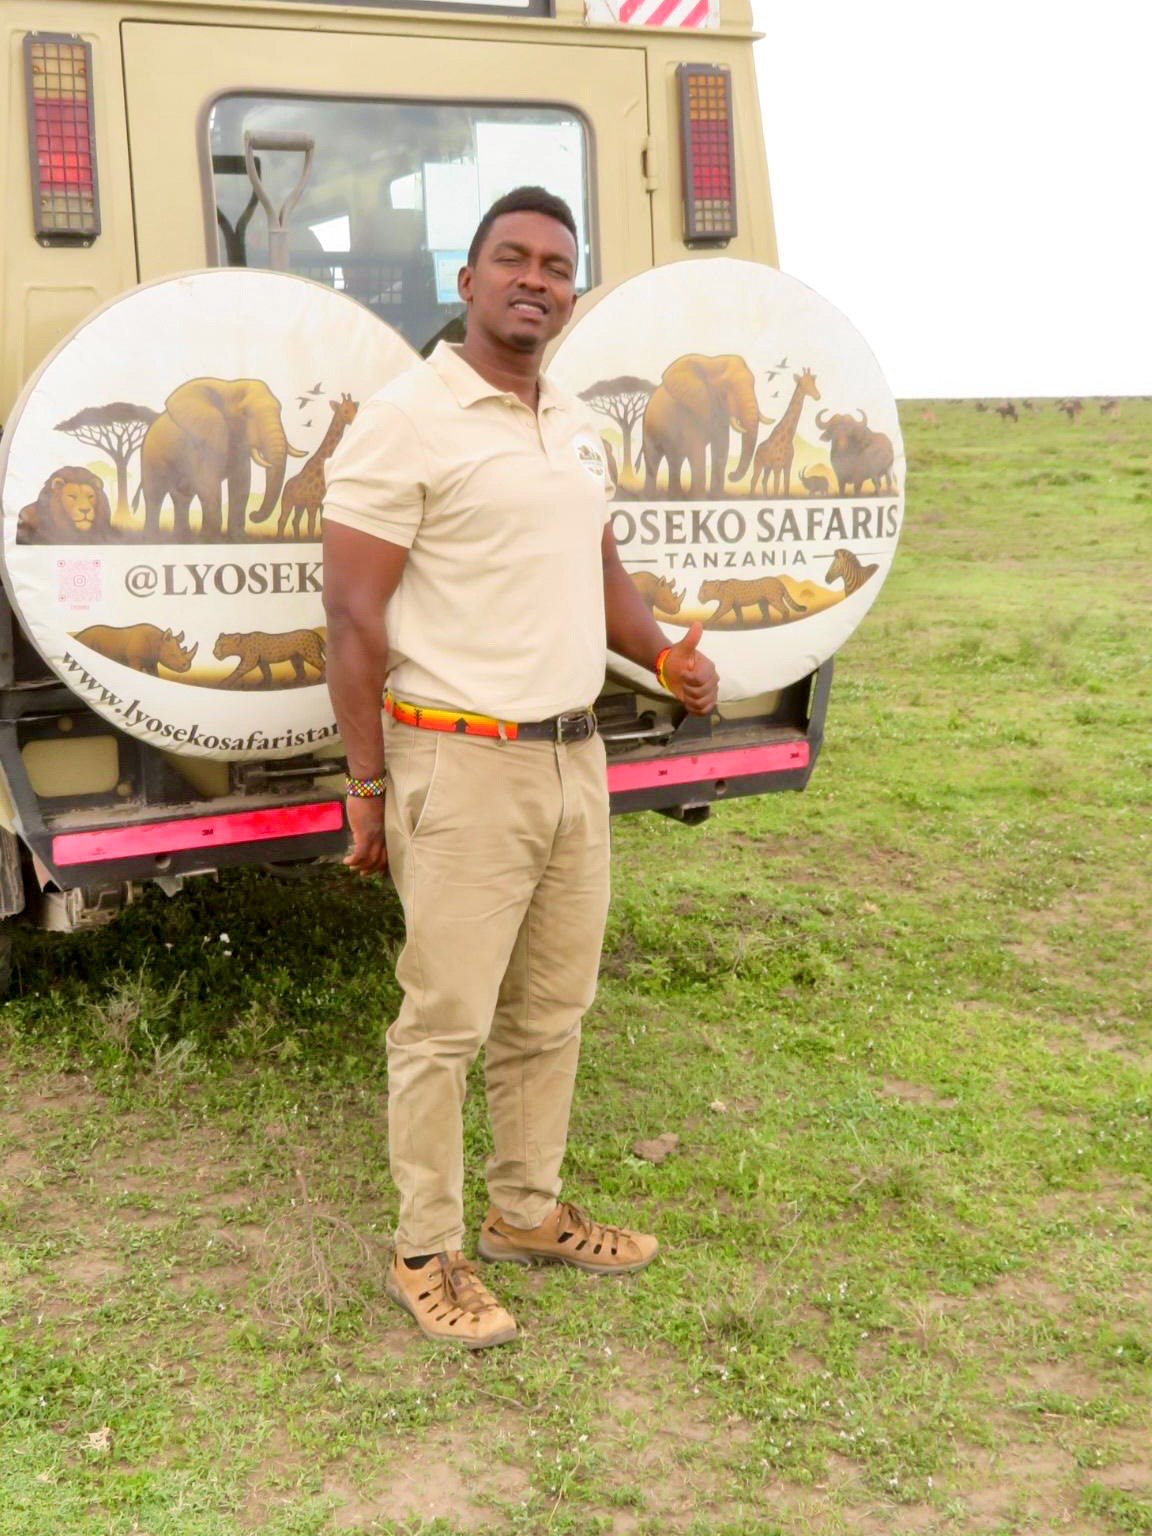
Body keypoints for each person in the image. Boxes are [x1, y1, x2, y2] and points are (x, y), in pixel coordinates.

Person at [322, 186, 718, 1350]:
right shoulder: (407, 420)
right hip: (459, 757)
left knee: (552, 1009)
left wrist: (659, 657)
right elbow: (352, 614)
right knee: (444, 1023)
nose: (533, 279)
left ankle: (526, 1214)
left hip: (571, 755)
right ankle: (425, 1250)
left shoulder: (572, 421)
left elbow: (597, 564)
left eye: (555, 264)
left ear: (574, 292)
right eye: (512, 259)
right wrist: (365, 785)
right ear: (468, 280)